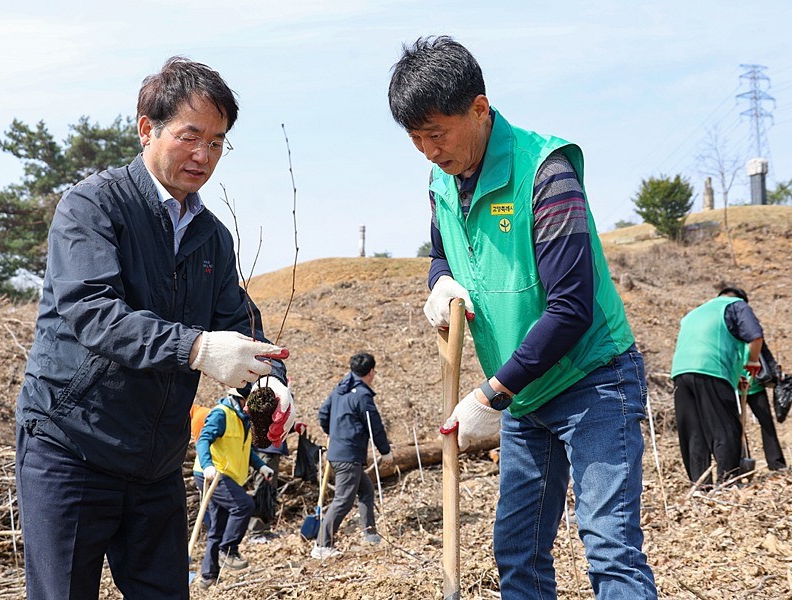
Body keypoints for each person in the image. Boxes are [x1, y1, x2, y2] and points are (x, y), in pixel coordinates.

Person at [14, 56, 296, 600]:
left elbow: (236, 324)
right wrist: (195, 348)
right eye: (191, 137)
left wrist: (270, 380)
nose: (203, 155)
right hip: (71, 447)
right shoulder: (93, 206)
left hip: (156, 463)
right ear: (147, 129)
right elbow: (93, 311)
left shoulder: (210, 236)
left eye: (217, 143)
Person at [388, 36, 657, 598]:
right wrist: (440, 283)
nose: (428, 152)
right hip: (526, 393)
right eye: (415, 140)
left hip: (593, 380)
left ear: (479, 109)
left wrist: (492, 394)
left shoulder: (545, 172)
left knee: (610, 551)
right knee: (518, 554)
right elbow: (442, 252)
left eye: (437, 134)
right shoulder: (441, 181)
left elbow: (571, 309)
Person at [671, 287, 764, 484]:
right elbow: (755, 337)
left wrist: (737, 376)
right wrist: (753, 362)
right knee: (726, 427)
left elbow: (715, 342)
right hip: (711, 369)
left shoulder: (694, 313)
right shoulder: (736, 305)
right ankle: (728, 481)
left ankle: (700, 486)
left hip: (681, 372)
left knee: (694, 433)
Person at [312, 353, 393, 559]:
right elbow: (374, 425)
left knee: (365, 490)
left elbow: (323, 413)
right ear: (371, 372)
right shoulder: (362, 395)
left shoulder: (340, 390)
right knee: (343, 500)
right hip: (348, 456)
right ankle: (322, 544)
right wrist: (385, 451)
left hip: (339, 453)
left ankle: (370, 534)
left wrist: (330, 431)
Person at [193, 389, 275, 589]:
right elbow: (204, 440)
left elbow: (245, 449)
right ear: (241, 399)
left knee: (217, 528)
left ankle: (208, 576)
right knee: (244, 505)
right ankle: (228, 551)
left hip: (227, 476)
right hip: (213, 474)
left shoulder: (244, 419)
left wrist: (260, 466)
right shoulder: (221, 413)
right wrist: (208, 465)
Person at [248, 416, 307, 538]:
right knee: (262, 489)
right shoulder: (266, 399)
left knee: (269, 490)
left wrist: (293, 427)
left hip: (270, 449)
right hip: (264, 450)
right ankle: (256, 532)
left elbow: (277, 423)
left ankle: (265, 529)